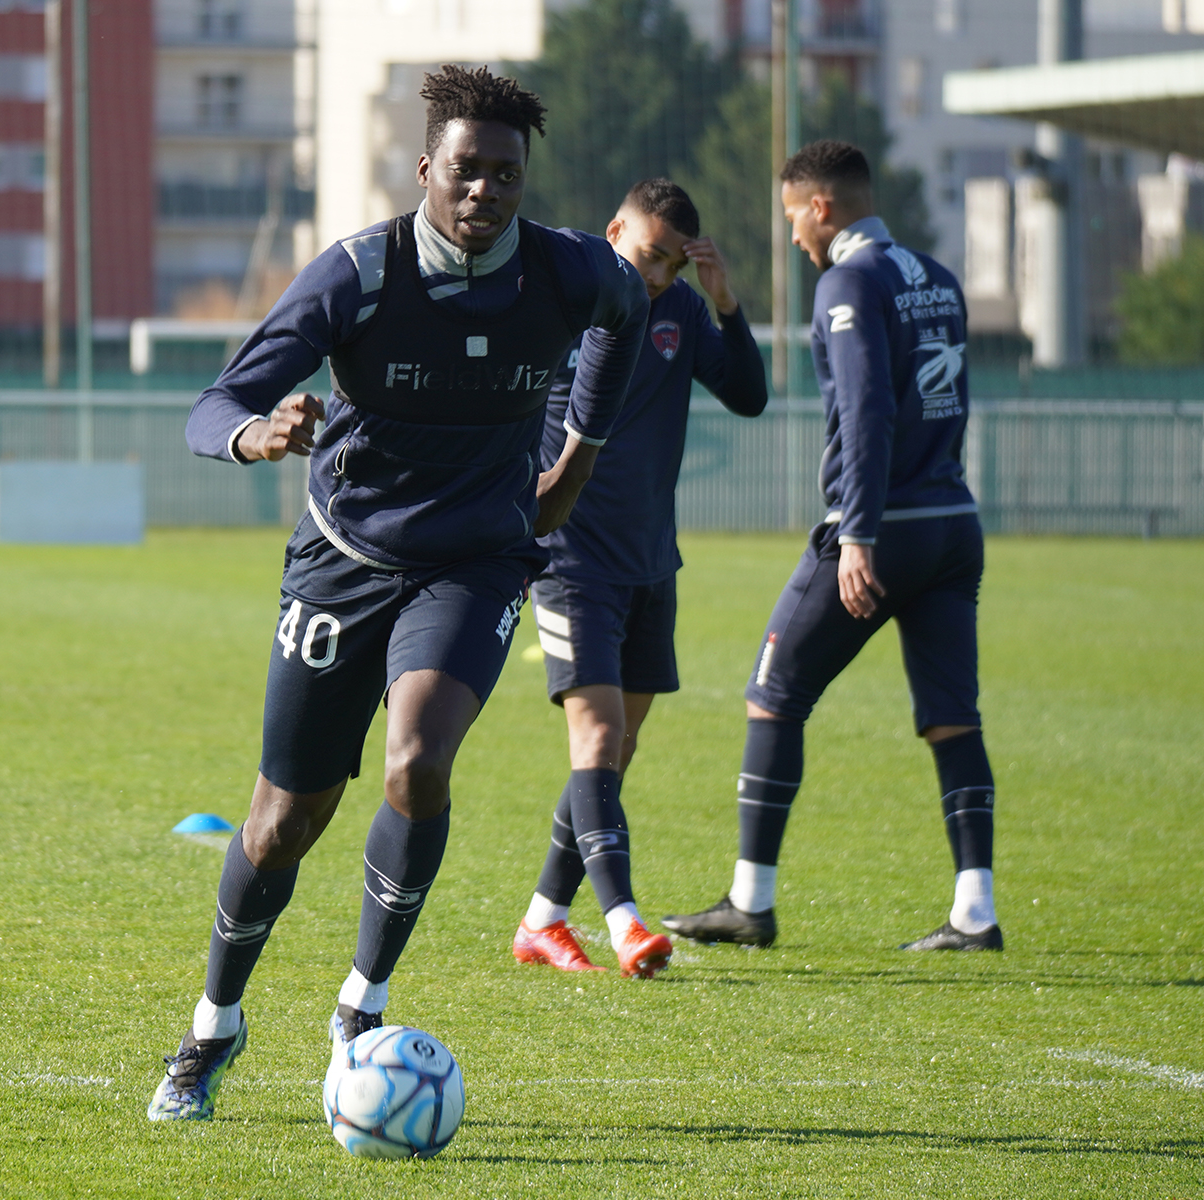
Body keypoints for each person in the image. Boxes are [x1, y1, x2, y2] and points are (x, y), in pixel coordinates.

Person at [148, 65, 648, 1122]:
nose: (483, 193)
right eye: (464, 171)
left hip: (474, 562)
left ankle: (361, 1007)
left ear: (523, 181)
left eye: (504, 176)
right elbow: (216, 400)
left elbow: (628, 310)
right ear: (426, 168)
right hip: (344, 560)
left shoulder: (566, 272)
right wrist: (255, 434)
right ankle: (211, 1029)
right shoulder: (357, 276)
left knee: (417, 762)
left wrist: (579, 456)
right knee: (283, 822)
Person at [661, 140, 1002, 953]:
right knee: (952, 719)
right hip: (954, 523)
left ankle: (750, 903)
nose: (792, 239)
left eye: (792, 218)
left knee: (772, 692)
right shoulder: (937, 277)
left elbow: (870, 406)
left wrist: (858, 533)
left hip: (885, 529)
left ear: (821, 206)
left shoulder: (848, 281)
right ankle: (975, 912)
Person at [511, 179, 767, 978]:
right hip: (571, 559)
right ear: (614, 228)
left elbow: (750, 396)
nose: (656, 275)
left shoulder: (685, 311)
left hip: (652, 562)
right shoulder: (562, 300)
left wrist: (724, 302)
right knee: (595, 738)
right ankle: (623, 921)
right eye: (647, 254)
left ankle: (542, 921)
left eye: (670, 265)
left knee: (616, 749)